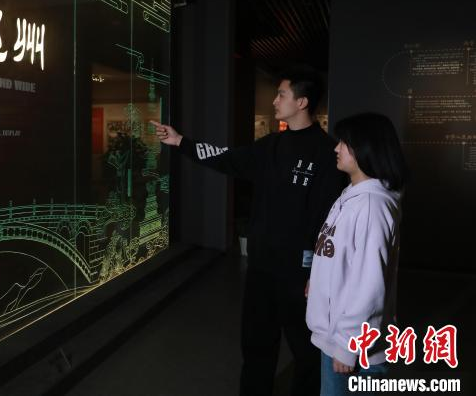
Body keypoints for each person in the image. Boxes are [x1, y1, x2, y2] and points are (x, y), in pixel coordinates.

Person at [151, 70, 346, 396]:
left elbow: (330, 220)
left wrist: (317, 271)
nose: (275, 101)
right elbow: (227, 159)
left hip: (300, 275)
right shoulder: (271, 145)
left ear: (301, 102)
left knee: (308, 351)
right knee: (256, 346)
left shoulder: (327, 152)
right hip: (261, 268)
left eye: (281, 95)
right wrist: (181, 142)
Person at [305, 113, 407, 396]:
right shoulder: (352, 194)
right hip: (337, 337)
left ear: (366, 148)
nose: (336, 148)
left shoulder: (372, 205)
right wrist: (319, 281)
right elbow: (341, 255)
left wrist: (348, 345)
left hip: (352, 348)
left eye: (344, 143)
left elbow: (369, 286)